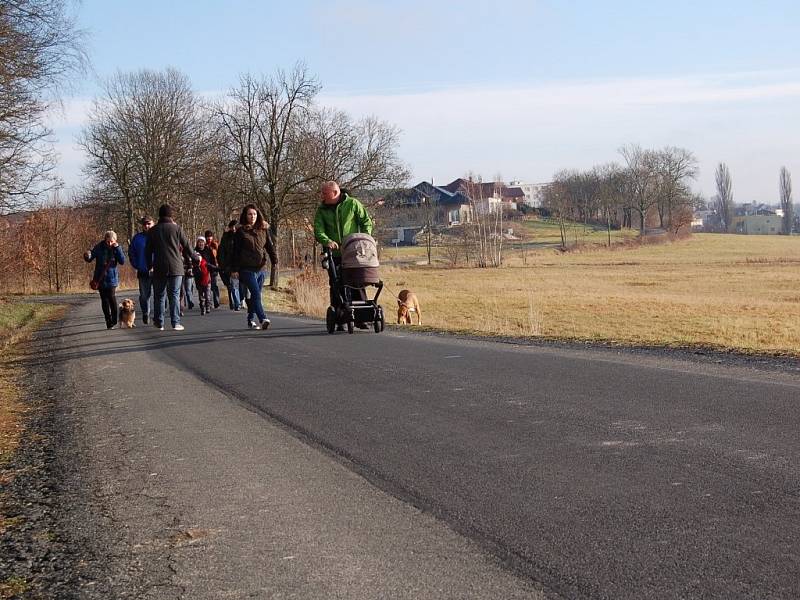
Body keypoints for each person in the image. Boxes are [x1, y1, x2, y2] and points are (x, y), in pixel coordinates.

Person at [313, 181, 373, 325]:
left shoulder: (352, 204)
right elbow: (318, 229)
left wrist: (364, 238)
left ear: (334, 193)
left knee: (357, 283)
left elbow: (366, 221)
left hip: (354, 252)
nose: (322, 196)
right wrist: (327, 241)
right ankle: (339, 318)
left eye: (324, 193)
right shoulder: (322, 210)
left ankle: (361, 317)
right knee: (336, 285)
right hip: (335, 255)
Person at [145, 204, 193, 331]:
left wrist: (149, 265)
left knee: (159, 296)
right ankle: (175, 322)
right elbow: (187, 246)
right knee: (174, 295)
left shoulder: (153, 231)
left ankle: (159, 322)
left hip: (159, 267)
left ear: (159, 215)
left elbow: (147, 251)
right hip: (176, 267)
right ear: (171, 215)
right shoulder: (177, 229)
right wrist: (195, 257)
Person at [231, 204, 277, 330]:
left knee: (255, 295)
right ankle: (263, 318)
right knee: (256, 293)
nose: (252, 217)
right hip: (246, 268)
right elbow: (235, 251)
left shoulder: (263, 229)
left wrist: (274, 260)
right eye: (250, 214)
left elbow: (269, 245)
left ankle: (250, 319)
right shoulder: (241, 231)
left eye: (255, 214)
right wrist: (234, 269)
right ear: (245, 216)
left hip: (261, 268)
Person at [84, 230, 126, 329]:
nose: (110, 243)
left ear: (115, 240)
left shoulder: (116, 248)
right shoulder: (99, 247)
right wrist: (87, 255)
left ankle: (114, 319)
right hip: (100, 278)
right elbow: (90, 258)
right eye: (108, 241)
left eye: (112, 241)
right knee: (104, 300)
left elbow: (122, 261)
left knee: (111, 298)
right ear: (105, 239)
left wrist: (118, 249)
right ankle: (108, 320)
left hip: (112, 278)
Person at [128, 216, 154, 324]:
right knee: (144, 295)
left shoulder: (158, 236)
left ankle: (158, 314)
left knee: (160, 295)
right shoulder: (137, 238)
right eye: (144, 224)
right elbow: (131, 253)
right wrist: (137, 265)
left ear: (153, 224)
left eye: (149, 224)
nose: (146, 226)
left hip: (157, 271)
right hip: (143, 270)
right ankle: (145, 313)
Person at [217, 220, 241, 311]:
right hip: (229, 265)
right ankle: (235, 303)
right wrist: (223, 265)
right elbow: (221, 253)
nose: (234, 228)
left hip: (242, 265)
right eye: (232, 227)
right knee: (232, 286)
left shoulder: (242, 235)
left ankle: (239, 301)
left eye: (235, 226)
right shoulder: (226, 237)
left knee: (241, 287)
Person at [193, 236, 219, 315]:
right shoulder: (194, 252)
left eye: (202, 242)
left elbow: (212, 261)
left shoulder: (208, 250)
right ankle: (202, 307)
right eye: (199, 242)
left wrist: (215, 269)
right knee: (201, 293)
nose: (201, 244)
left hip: (207, 274)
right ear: (197, 243)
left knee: (207, 293)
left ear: (204, 243)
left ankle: (208, 306)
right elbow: (191, 262)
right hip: (198, 275)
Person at [204, 229, 221, 308]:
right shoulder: (203, 245)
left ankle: (216, 301)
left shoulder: (215, 245)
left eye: (210, 237)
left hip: (214, 267)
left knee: (214, 284)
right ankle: (208, 302)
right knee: (207, 285)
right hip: (206, 267)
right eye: (208, 237)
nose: (209, 238)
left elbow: (219, 254)